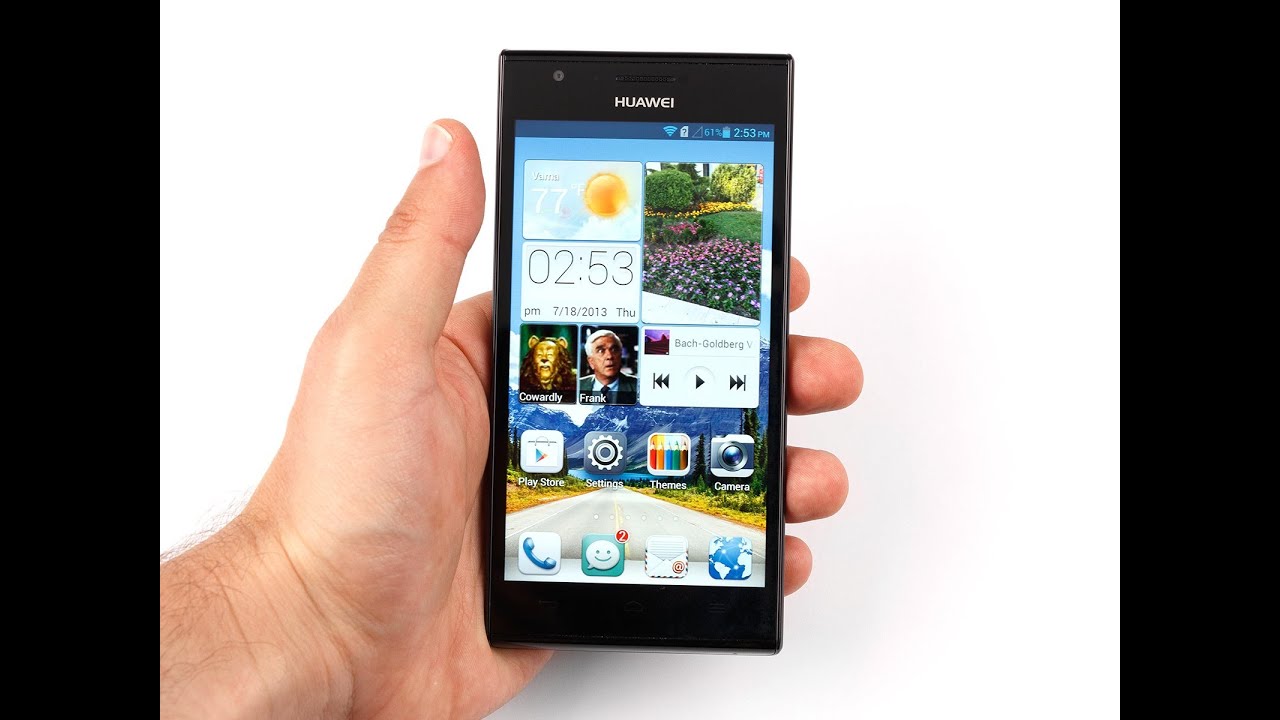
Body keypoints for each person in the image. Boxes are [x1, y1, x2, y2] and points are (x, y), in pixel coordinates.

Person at [158, 120, 864, 719]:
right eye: (601, 348)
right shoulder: (569, 379)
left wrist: (304, 598)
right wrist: (304, 594)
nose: (609, 355)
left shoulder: (624, 379)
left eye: (613, 349)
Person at [578, 328, 638, 404]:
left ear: (620, 355)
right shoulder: (577, 386)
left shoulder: (639, 387)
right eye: (601, 351)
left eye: (614, 350)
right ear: (591, 362)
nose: (609, 356)